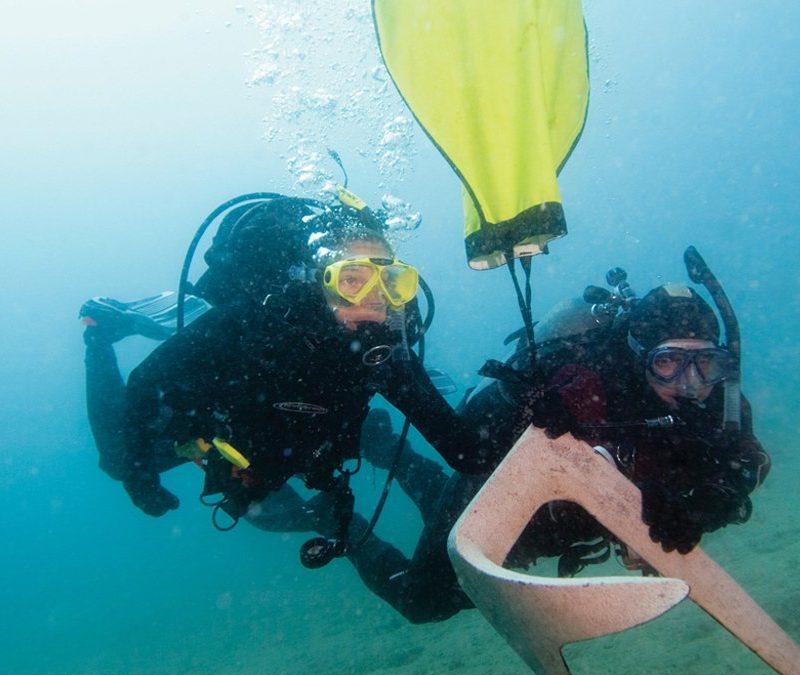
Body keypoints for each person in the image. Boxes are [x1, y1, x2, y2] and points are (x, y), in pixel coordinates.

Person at [80, 190, 488, 618]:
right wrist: (139, 475)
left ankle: (382, 461)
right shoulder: (250, 323)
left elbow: (464, 451)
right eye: (352, 279)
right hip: (227, 417)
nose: (373, 298)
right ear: (319, 280)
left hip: (314, 426)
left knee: (337, 437)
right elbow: (146, 381)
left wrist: (524, 399)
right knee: (118, 460)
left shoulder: (384, 351)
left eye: (390, 281)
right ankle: (99, 332)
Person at [355, 272, 771, 620]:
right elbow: (476, 447)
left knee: (438, 512)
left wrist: (704, 508)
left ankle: (392, 453)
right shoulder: (584, 384)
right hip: (504, 499)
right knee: (423, 602)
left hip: (567, 527)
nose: (691, 382)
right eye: (668, 361)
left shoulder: (719, 400)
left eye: (706, 361)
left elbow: (749, 462)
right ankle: (341, 524)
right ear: (637, 354)